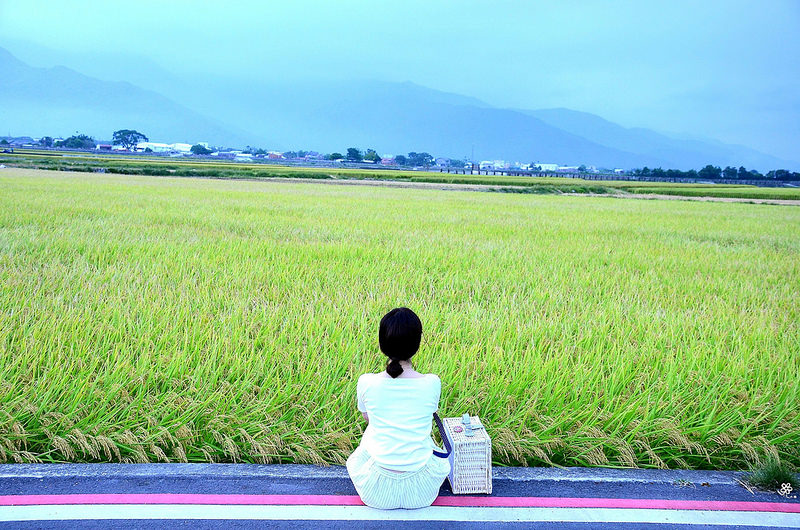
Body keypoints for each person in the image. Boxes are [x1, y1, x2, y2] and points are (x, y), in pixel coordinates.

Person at [346, 307, 450, 509]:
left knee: (372, 431)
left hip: (375, 492)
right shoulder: (432, 383)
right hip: (422, 492)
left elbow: (368, 419)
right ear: (417, 344)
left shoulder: (367, 382)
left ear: (382, 344)